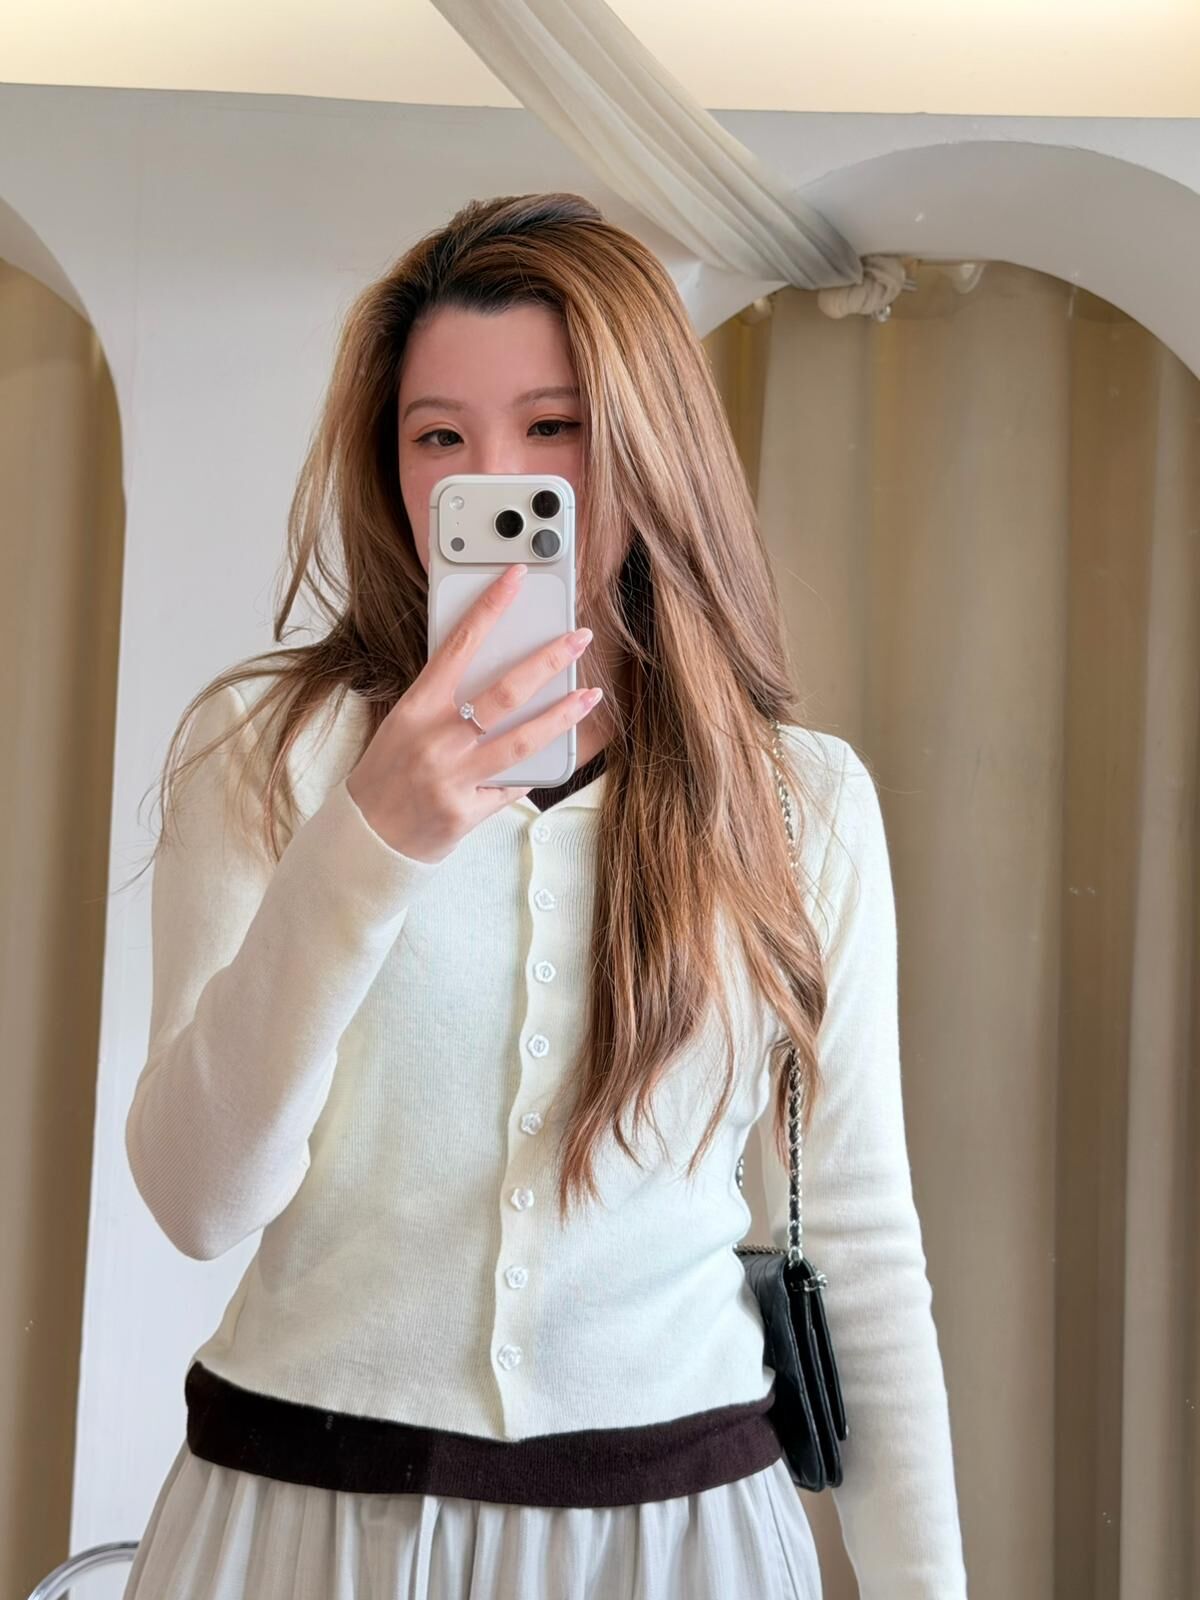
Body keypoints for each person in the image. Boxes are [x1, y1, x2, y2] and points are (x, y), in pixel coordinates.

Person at [120, 191, 968, 1599]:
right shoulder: (267, 751)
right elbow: (198, 1199)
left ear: (648, 443)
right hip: (303, 1527)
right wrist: (370, 841)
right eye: (439, 437)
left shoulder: (798, 803)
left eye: (554, 427)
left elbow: (862, 1244)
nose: (495, 478)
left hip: (678, 1541)